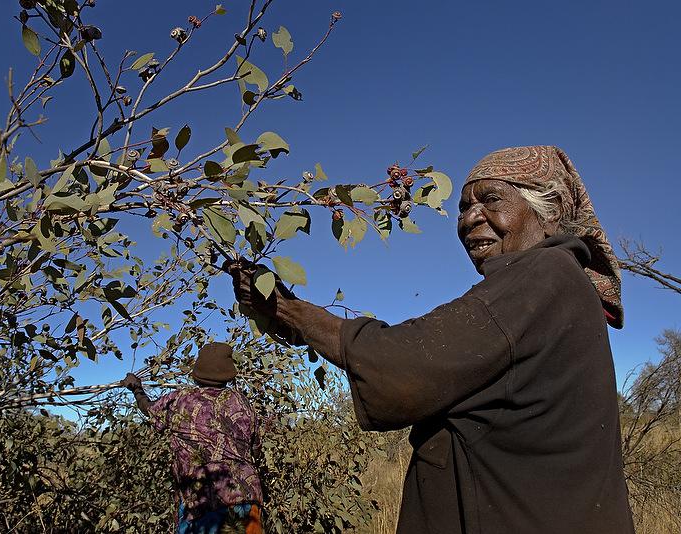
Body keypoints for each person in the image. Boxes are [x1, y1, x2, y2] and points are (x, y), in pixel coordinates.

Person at [227, 146, 634, 533]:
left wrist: (287, 310)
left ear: (551, 213)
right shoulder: (559, 285)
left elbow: (404, 364)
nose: (470, 218)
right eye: (463, 207)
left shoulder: (544, 274)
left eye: (491, 199)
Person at [121, 342, 263, 534]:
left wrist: (136, 388)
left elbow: (149, 409)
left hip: (203, 502)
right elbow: (255, 449)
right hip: (247, 498)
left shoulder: (181, 400)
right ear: (229, 374)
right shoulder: (243, 402)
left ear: (197, 373)